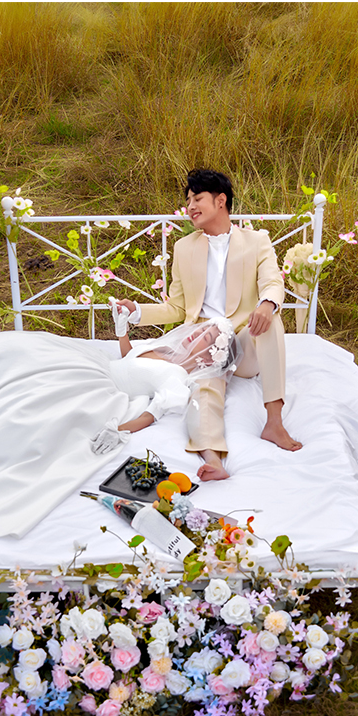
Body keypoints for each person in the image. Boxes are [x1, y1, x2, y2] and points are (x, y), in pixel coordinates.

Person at [0, 320, 239, 539]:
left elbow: (153, 414)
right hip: (95, 365)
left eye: (207, 337)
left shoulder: (177, 377)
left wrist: (120, 428)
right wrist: (122, 331)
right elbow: (131, 359)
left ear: (210, 357)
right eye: (203, 328)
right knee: (3, 352)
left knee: (31, 411)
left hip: (102, 387)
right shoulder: (165, 350)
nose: (197, 333)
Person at [111, 168, 302, 482]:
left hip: (244, 341)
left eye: (197, 198)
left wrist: (267, 304)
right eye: (188, 201)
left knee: (271, 321)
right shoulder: (184, 247)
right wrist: (137, 312)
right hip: (206, 344)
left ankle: (274, 421)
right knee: (203, 392)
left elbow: (272, 282)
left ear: (220, 201)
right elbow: (176, 307)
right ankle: (213, 458)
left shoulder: (257, 241)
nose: (190, 206)